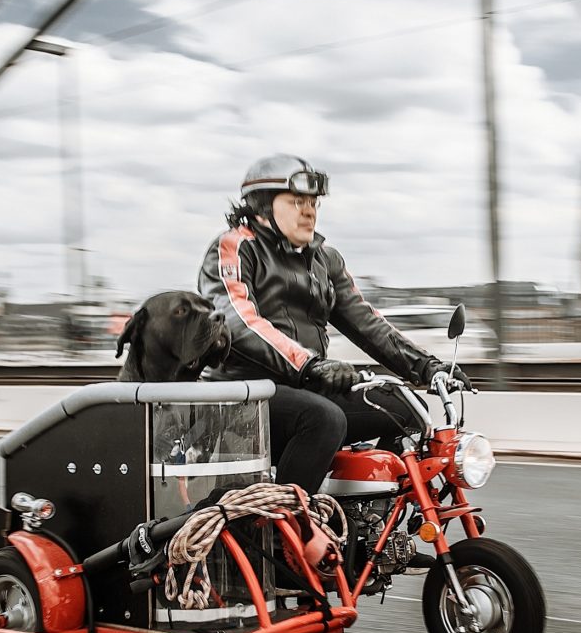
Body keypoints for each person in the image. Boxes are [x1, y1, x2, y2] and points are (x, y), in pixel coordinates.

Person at [199, 154, 469, 493]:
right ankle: (285, 522)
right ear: (263, 206)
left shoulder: (324, 259)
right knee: (324, 419)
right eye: (297, 201)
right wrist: (311, 365)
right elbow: (239, 321)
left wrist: (427, 367)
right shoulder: (235, 247)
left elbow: (366, 321)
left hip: (304, 386)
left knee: (405, 408)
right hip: (245, 394)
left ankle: (367, 515)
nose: (309, 210)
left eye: (313, 203)